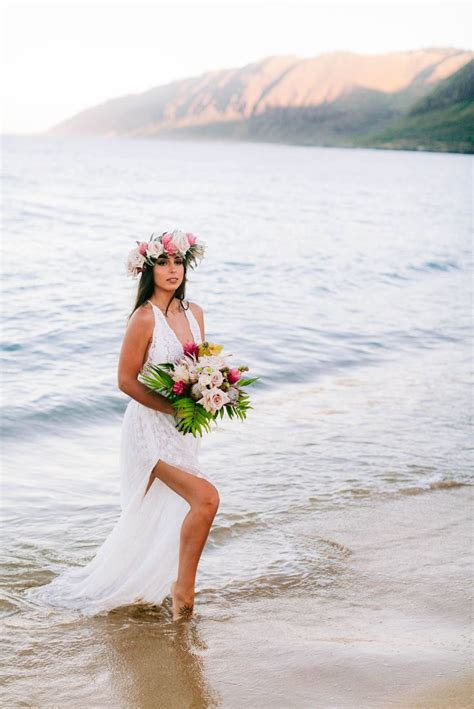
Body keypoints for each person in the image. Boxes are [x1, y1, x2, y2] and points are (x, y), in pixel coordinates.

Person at [27, 229, 219, 621]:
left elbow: (197, 368)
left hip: (182, 431)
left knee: (151, 515)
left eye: (178, 262)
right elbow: (126, 381)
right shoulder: (144, 318)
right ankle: (184, 590)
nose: (172, 270)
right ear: (148, 270)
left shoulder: (194, 313)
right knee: (206, 499)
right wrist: (172, 409)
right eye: (163, 263)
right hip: (148, 431)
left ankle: (146, 583)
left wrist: (210, 392)